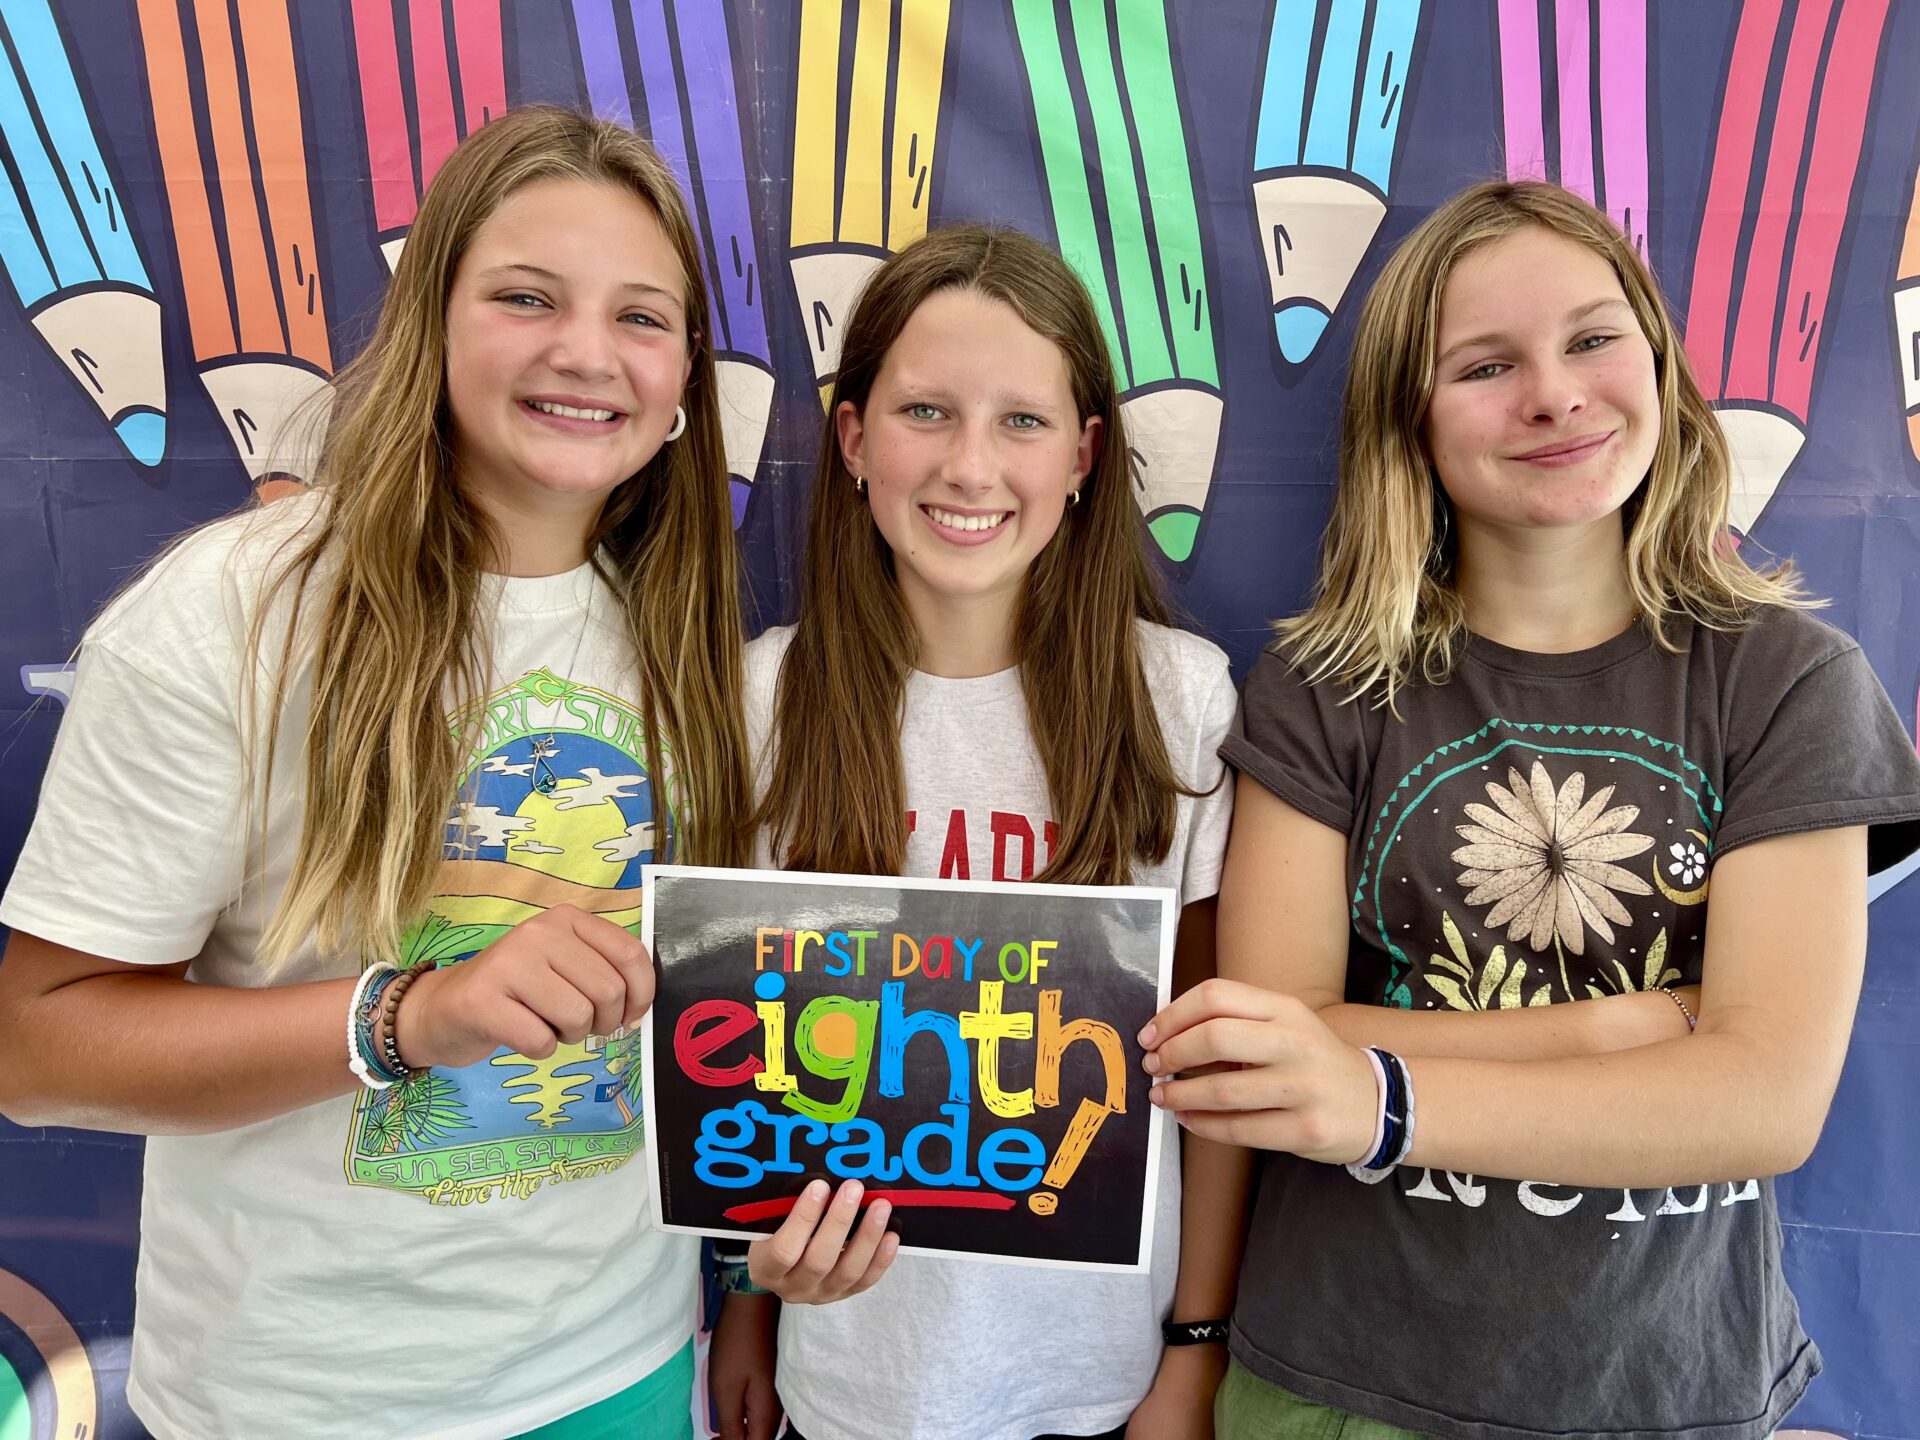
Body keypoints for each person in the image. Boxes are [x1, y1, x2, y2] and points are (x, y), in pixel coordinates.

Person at [0, 106, 749, 1439]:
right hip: (303, 1399)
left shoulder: (685, 634)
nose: (587, 352)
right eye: (526, 297)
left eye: (642, 317)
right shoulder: (237, 612)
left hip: (621, 1368)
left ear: (686, 375)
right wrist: (412, 1016)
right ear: (431, 322)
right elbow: (38, 1044)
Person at [1140, 179, 1920, 1440]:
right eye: (1486, 365)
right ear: (1412, 420)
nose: (1554, 395)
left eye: (1592, 338)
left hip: (1661, 1392)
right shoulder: (1326, 684)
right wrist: (1627, 1032)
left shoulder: (1787, 681)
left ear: (1658, 364)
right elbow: (1275, 1048)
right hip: (1335, 1386)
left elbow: (1765, 1101)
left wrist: (1378, 1098)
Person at [706, 225, 1243, 1440]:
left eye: (1022, 421)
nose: (969, 465)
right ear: (854, 440)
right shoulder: (764, 699)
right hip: (852, 1380)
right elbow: (738, 1072)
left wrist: (1195, 1351)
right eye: (926, 412)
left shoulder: (1180, 701)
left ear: (1084, 456)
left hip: (1100, 1379)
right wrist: (746, 1305)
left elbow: (1214, 1082)